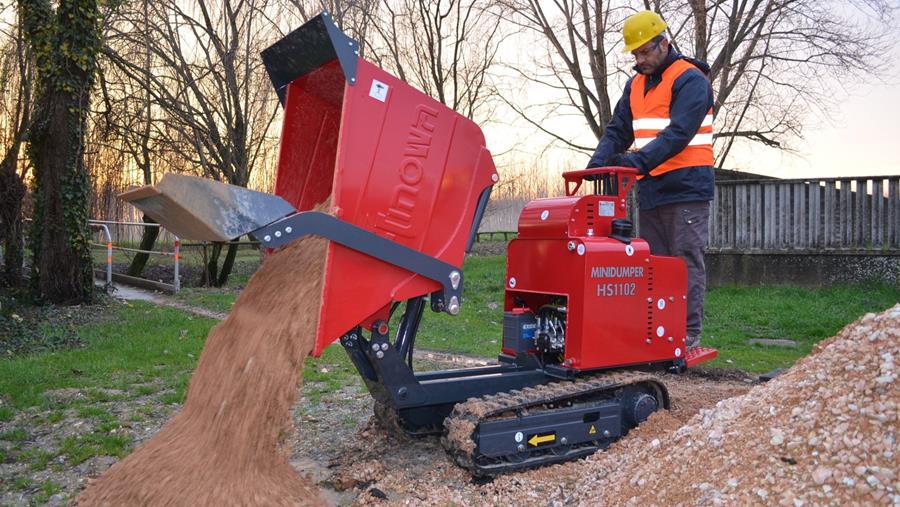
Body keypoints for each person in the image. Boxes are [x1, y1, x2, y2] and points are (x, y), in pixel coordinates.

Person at [587, 10, 714, 351]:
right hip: (653, 187)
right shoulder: (636, 85)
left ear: (664, 43)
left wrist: (633, 164)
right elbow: (618, 130)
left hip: (687, 186)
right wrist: (598, 164)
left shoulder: (691, 80)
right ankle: (659, 332)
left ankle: (686, 335)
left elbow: (677, 135)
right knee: (654, 263)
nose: (640, 59)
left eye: (646, 52)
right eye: (636, 54)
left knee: (685, 259)